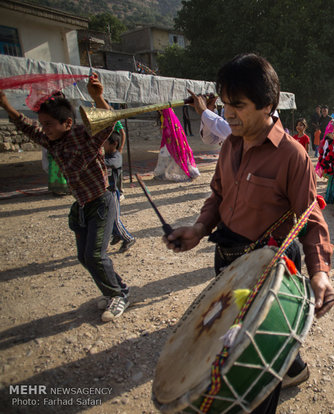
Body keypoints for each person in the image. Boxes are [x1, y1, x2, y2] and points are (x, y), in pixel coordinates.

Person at [163, 53, 334, 413]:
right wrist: (198, 229)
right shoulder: (230, 144)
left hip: (269, 273)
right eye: (225, 104)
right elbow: (218, 194)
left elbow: (311, 218)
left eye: (237, 105)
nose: (227, 113)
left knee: (256, 371)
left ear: (267, 105)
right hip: (227, 260)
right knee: (226, 346)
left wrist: (319, 275)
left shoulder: (293, 156)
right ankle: (292, 365)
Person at [0, 75, 130, 322]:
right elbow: (28, 127)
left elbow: (110, 122)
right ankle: (117, 290)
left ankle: (119, 296)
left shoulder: (84, 136)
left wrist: (97, 97)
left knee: (94, 255)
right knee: (84, 257)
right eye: (43, 124)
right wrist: (6, 106)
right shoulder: (52, 142)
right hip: (82, 205)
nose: (44, 129)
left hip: (102, 202)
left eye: (49, 124)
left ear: (67, 122)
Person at [104, 132, 136, 253]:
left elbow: (112, 164)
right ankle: (116, 234)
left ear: (114, 144)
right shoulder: (105, 156)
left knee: (115, 219)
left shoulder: (116, 156)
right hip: (105, 193)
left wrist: (98, 160)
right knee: (107, 218)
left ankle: (129, 238)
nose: (103, 145)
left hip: (113, 192)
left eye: (105, 143)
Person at [153, 108, 200, 181]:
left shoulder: (169, 120)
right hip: (169, 142)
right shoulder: (167, 118)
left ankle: (178, 173)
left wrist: (164, 131)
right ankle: (163, 173)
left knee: (171, 157)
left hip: (173, 143)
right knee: (164, 156)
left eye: (160, 110)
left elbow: (169, 132)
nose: (159, 112)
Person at [316, 121, 334, 204]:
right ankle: (330, 197)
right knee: (331, 181)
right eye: (333, 133)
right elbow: (326, 153)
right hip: (332, 165)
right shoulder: (329, 142)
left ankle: (333, 197)